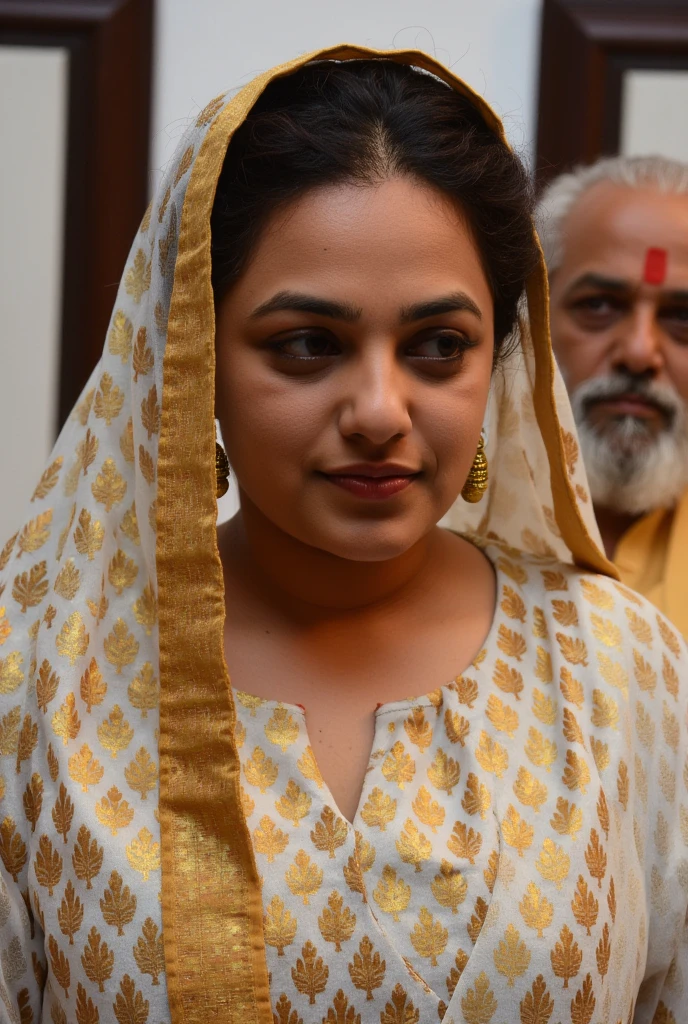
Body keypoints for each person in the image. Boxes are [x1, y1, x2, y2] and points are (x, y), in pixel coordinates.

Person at [0, 46, 685, 1024]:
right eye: (308, 344)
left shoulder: (623, 672)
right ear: (192, 352)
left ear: (498, 354)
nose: (378, 409)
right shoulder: (42, 681)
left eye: (438, 347)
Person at [536, 156, 688, 636]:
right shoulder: (437, 518)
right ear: (532, 317)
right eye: (599, 306)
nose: (640, 353)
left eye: (683, 318)